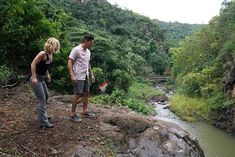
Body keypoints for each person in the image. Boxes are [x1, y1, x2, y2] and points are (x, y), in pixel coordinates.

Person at [30, 37, 60, 128]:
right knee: (42, 99)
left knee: (46, 96)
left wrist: (48, 75)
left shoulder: (50, 55)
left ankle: (42, 114)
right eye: (56, 45)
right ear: (51, 44)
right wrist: (34, 77)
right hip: (36, 79)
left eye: (58, 45)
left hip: (42, 79)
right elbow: (33, 64)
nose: (57, 47)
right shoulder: (43, 53)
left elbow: (44, 67)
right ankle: (43, 122)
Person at [67, 34, 95, 122]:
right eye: (90, 43)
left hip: (85, 75)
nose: (91, 45)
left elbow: (88, 63)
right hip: (78, 75)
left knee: (86, 93)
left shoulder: (88, 52)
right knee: (78, 94)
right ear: (86, 41)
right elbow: (70, 61)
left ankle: (84, 111)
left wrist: (92, 74)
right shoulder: (76, 50)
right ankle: (72, 114)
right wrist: (72, 75)